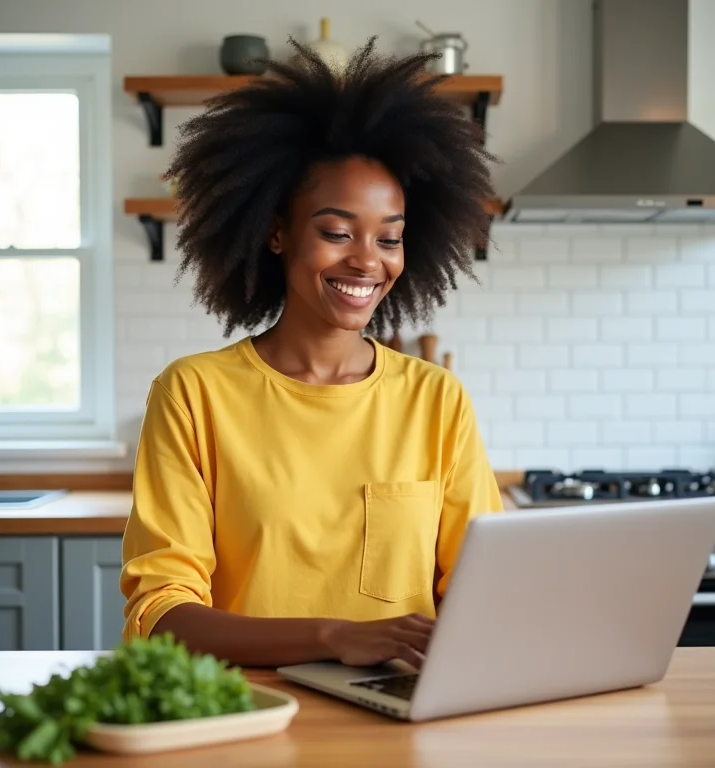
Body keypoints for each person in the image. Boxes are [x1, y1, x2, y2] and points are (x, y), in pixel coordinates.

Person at [120, 38, 503, 670]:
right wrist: (330, 637)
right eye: (336, 232)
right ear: (276, 232)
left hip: (398, 714)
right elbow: (161, 614)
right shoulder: (194, 394)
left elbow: (484, 589)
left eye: (390, 238)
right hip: (243, 712)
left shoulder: (435, 399)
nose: (366, 260)